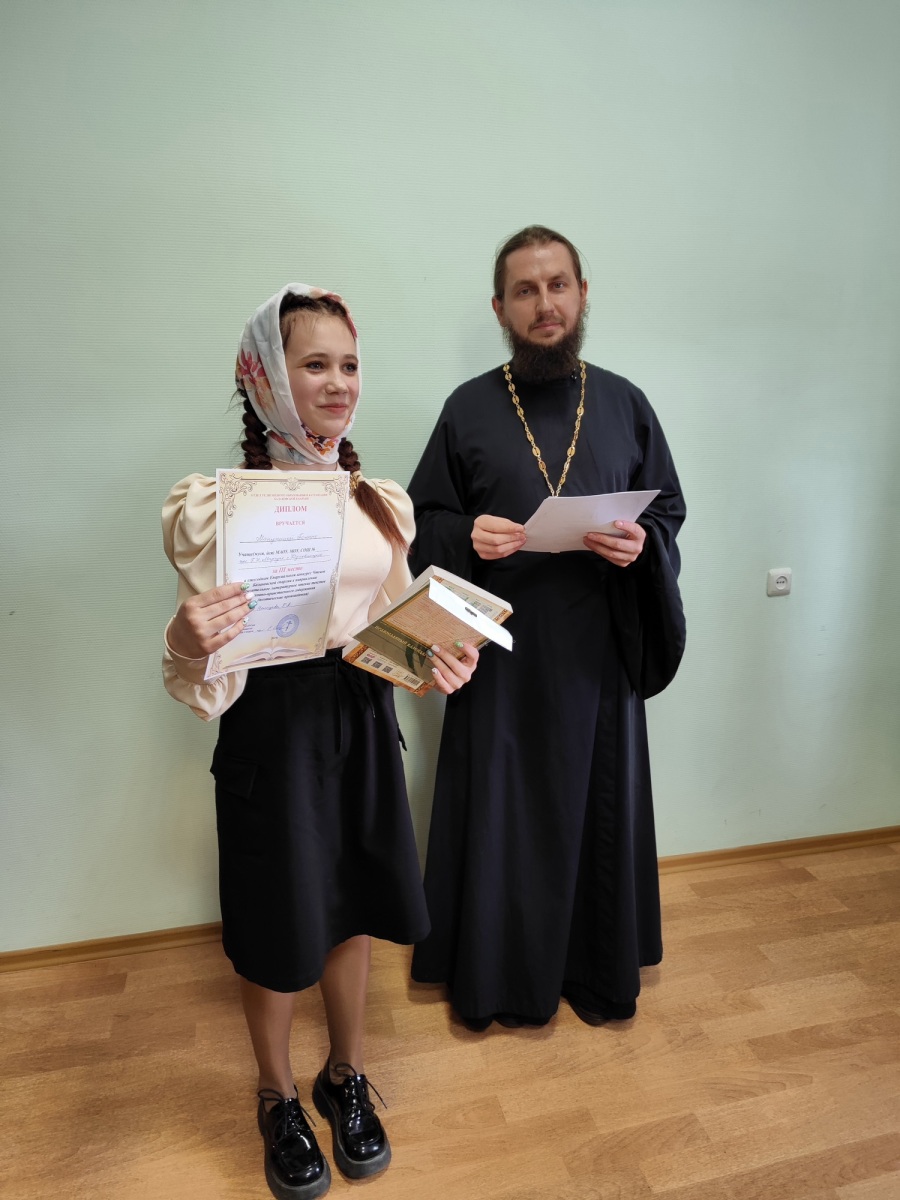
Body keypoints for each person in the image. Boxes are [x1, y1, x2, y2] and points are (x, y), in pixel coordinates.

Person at [161, 283, 478, 1199]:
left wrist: (433, 661)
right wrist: (185, 637)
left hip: (362, 720)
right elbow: (198, 653)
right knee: (275, 919)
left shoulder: (377, 502)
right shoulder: (213, 507)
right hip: (270, 727)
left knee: (355, 902)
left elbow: (389, 630)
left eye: (349, 364)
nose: (339, 383)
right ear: (265, 378)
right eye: (314, 364)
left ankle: (346, 1075)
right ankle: (275, 1094)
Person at [408, 227, 686, 1030]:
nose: (545, 304)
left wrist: (641, 545)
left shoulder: (625, 402)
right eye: (525, 291)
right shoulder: (467, 407)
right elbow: (422, 521)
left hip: (596, 656)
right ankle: (499, 980)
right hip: (496, 653)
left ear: (582, 293)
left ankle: (596, 972)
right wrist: (467, 535)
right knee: (505, 813)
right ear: (500, 308)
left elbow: (667, 508)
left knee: (596, 811)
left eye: (558, 284)